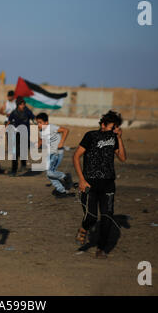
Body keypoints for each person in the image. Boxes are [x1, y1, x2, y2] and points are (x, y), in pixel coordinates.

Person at [72, 110, 127, 259]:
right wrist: (81, 180)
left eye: (117, 127)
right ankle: (84, 228)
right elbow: (76, 156)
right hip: (89, 184)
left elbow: (122, 158)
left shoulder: (114, 138)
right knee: (91, 217)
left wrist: (119, 138)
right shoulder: (90, 136)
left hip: (108, 184)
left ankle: (101, 249)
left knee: (107, 218)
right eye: (112, 126)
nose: (115, 129)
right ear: (103, 125)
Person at [36, 113, 73, 198]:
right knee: (49, 174)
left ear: (46, 122)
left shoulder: (52, 127)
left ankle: (65, 177)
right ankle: (62, 191)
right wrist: (37, 145)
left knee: (49, 172)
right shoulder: (41, 130)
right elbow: (41, 140)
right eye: (37, 122)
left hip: (56, 153)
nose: (38, 125)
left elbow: (66, 130)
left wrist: (61, 142)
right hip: (50, 153)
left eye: (40, 122)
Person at [7, 97, 35, 176]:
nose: (23, 106)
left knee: (23, 151)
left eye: (24, 104)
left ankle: (23, 164)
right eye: (21, 104)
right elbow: (9, 121)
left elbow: (34, 118)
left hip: (25, 134)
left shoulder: (27, 111)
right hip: (16, 134)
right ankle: (14, 171)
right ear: (17, 105)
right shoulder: (14, 112)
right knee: (15, 153)